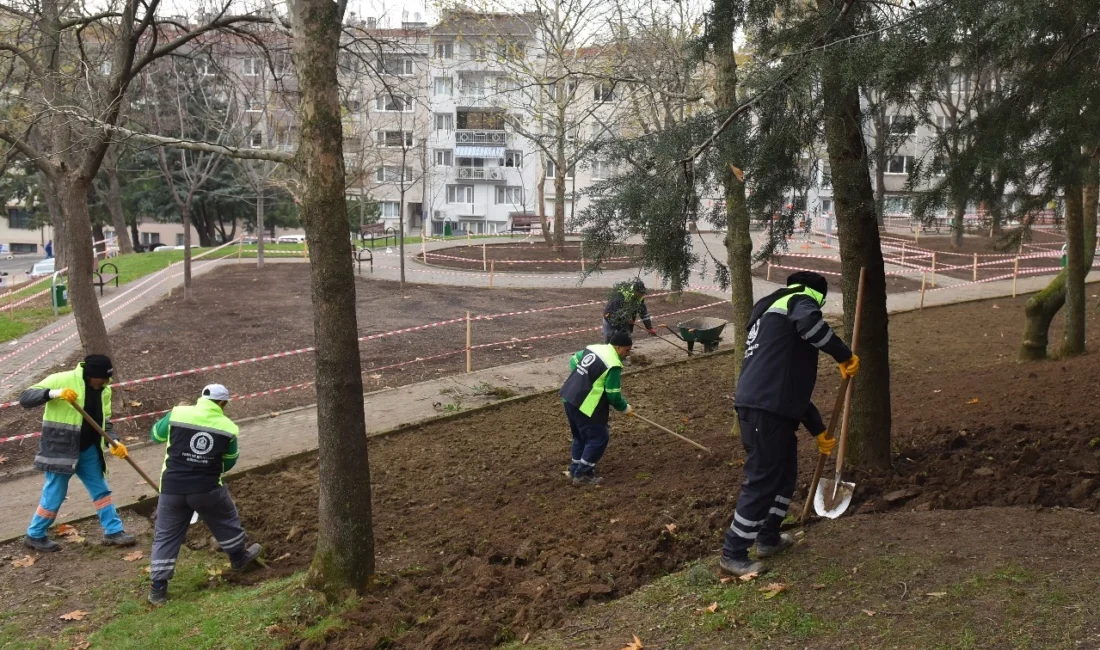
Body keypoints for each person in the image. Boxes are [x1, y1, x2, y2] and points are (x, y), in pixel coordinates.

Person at [719, 271, 859, 576]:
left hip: (768, 407)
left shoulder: (772, 314)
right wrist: (843, 354)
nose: (818, 306)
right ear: (816, 295)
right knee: (762, 479)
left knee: (784, 475)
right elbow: (810, 324)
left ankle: (768, 537)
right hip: (763, 410)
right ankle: (733, 553)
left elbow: (788, 389)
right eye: (820, 301)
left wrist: (819, 430)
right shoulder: (799, 301)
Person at [146, 384, 261, 606]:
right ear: (223, 403)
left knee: (166, 535)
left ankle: (157, 590)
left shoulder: (178, 413)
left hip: (171, 489)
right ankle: (239, 558)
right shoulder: (228, 428)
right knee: (225, 518)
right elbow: (229, 462)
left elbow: (154, 435)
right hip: (207, 488)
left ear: (201, 398)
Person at [19, 355, 136, 552]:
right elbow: (25, 398)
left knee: (101, 490)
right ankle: (35, 535)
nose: (106, 383)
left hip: (89, 448)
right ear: (91, 375)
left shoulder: (104, 391)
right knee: (55, 493)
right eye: (103, 379)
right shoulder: (61, 379)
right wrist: (54, 393)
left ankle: (114, 531)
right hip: (61, 448)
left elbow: (104, 421)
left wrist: (113, 441)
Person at [559, 331, 634, 487]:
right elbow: (613, 395)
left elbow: (574, 361)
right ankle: (583, 474)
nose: (627, 354)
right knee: (599, 437)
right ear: (618, 347)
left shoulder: (594, 349)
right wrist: (625, 408)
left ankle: (574, 469)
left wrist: (584, 379)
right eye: (626, 350)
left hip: (568, 396)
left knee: (580, 436)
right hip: (585, 405)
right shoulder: (613, 363)